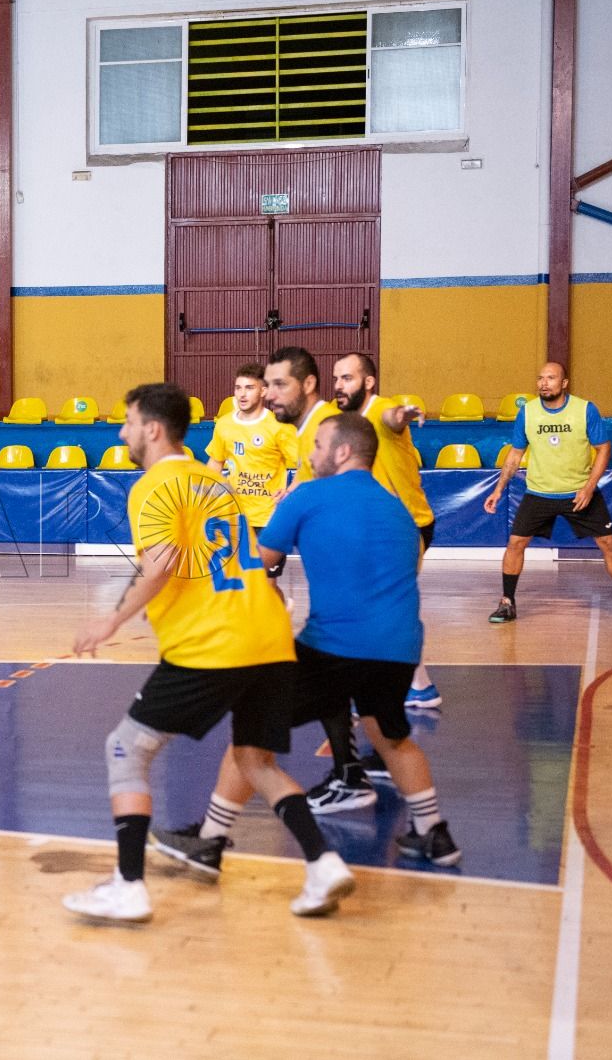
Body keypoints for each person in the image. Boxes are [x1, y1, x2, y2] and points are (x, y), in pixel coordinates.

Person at [63, 382, 354, 923]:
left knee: (125, 749)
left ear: (152, 429)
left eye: (128, 422)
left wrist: (113, 617)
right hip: (268, 635)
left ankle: (128, 886)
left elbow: (164, 560)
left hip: (212, 641)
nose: (123, 432)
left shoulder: (153, 485)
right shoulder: (213, 479)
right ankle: (323, 862)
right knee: (254, 760)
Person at [149, 413, 462, 876]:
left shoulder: (309, 495)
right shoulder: (397, 508)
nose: (309, 455)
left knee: (250, 734)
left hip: (335, 645)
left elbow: (258, 565)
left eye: (316, 446)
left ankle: (211, 840)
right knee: (390, 735)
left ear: (341, 452)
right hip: (400, 647)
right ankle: (434, 832)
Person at [484, 362, 612, 625]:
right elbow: (515, 454)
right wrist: (498, 489)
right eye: (540, 378)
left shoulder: (585, 409)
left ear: (564, 383)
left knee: (609, 544)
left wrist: (589, 487)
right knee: (515, 544)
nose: (544, 383)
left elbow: (603, 449)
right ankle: (507, 602)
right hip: (539, 493)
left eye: (551, 378)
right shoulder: (528, 412)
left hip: (579, 492)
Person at [331, 352, 442, 710]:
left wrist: (406, 413)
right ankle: (420, 686)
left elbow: (394, 417)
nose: (338, 385)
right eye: (336, 378)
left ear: (368, 382)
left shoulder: (382, 409)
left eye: (347, 378)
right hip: (376, 529)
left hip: (404, 526)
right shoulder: (344, 423)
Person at [204, 362, 298, 531]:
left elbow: (306, 464)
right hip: (234, 517)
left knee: (266, 559)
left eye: (249, 388)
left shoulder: (280, 426)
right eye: (238, 388)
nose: (242, 394)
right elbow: (215, 463)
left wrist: (290, 491)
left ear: (263, 391)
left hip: (269, 519)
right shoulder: (224, 425)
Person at [262, 345, 338, 486]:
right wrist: (291, 492)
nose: (269, 395)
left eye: (280, 384)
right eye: (268, 385)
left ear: (308, 384)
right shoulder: (307, 426)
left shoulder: (328, 429)